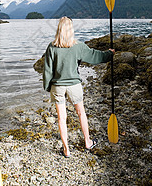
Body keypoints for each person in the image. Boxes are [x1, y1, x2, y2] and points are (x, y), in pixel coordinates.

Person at [43, 16, 115, 158]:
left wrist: (47, 87)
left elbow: (47, 70)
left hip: (57, 86)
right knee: (81, 113)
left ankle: (66, 149)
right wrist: (109, 54)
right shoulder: (78, 46)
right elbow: (95, 56)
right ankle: (87, 142)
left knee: (61, 118)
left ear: (59, 29)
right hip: (74, 85)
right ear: (71, 29)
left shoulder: (52, 47)